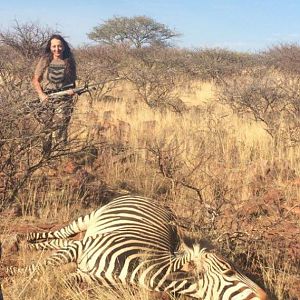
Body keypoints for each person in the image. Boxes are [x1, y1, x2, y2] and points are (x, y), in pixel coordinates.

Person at [32, 34, 77, 153]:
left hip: (64, 99)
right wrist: (41, 95)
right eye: (54, 46)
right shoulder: (45, 60)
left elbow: (73, 82)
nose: (57, 49)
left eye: (59, 46)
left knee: (61, 125)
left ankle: (60, 154)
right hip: (47, 98)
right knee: (46, 127)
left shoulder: (70, 61)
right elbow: (36, 79)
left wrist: (71, 91)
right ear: (50, 47)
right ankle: (46, 155)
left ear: (64, 47)